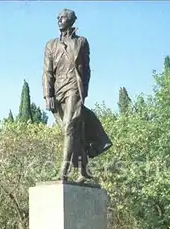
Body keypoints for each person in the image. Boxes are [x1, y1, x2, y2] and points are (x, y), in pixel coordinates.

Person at [42, 8, 112, 184]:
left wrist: (83, 91)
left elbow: (86, 69)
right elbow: (47, 72)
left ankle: (63, 172)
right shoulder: (51, 44)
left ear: (72, 20)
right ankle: (83, 170)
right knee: (73, 131)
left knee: (70, 127)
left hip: (74, 87)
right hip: (58, 92)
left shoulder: (81, 42)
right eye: (57, 17)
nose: (59, 19)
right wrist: (47, 95)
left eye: (63, 17)